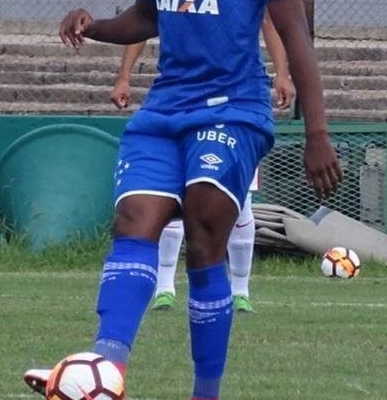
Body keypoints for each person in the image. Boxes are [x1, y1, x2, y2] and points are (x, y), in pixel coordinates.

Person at [23, 0, 342, 400]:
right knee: (134, 220)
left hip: (234, 110)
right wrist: (97, 28)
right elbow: (149, 15)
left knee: (201, 231)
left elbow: (297, 35)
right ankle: (105, 367)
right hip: (166, 106)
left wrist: (317, 133)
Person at [110, 22, 297, 313]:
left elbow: (272, 21)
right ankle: (164, 288)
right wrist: (123, 76)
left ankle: (240, 290)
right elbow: (145, 18)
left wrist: (282, 72)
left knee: (238, 203)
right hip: (178, 105)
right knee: (170, 201)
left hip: (233, 110)